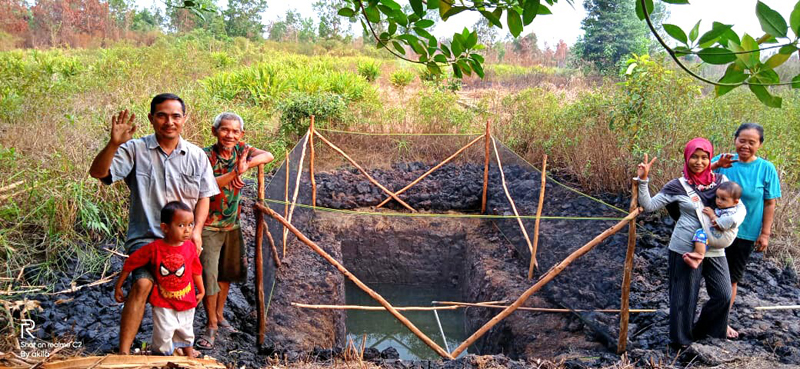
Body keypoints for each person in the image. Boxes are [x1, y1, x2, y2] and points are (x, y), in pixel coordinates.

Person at [89, 93, 220, 354]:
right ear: (151, 118)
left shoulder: (196, 155)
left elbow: (205, 197)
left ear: (185, 118)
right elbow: (99, 173)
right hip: (146, 237)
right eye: (161, 115)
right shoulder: (135, 149)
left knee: (180, 288)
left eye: (175, 116)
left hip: (182, 239)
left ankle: (181, 346)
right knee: (142, 284)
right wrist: (113, 144)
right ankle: (124, 352)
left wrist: (196, 232)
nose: (168, 122)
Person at [636, 138, 733, 349]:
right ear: (686, 158)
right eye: (694, 157)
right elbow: (650, 205)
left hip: (714, 246)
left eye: (704, 157)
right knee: (684, 297)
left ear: (710, 158)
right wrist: (643, 180)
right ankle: (681, 341)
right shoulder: (677, 185)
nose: (699, 162)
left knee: (723, 294)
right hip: (685, 246)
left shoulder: (720, 180)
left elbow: (734, 206)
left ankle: (706, 332)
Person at [196, 112, 273, 350]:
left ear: (241, 134)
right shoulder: (205, 156)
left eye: (235, 131)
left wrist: (246, 164)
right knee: (209, 275)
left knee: (226, 273)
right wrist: (234, 174)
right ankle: (210, 325)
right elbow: (206, 184)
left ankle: (219, 315)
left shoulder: (241, 150)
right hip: (208, 225)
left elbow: (268, 155)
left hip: (233, 223)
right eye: (224, 130)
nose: (229, 135)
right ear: (214, 131)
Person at [711, 123, 781, 339]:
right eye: (742, 140)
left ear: (760, 144)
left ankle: (721, 322)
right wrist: (714, 167)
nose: (746, 146)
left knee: (731, 278)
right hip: (714, 229)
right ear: (735, 140)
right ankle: (698, 318)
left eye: (752, 142)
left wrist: (765, 234)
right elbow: (695, 175)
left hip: (745, 233)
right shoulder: (724, 161)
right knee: (703, 274)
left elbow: (770, 203)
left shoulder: (766, 168)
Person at [114, 202, 205, 357]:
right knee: (163, 334)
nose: (188, 230)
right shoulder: (154, 249)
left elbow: (196, 270)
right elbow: (131, 263)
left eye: (190, 225)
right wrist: (119, 285)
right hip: (164, 301)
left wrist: (201, 290)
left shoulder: (189, 248)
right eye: (181, 225)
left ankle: (190, 356)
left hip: (186, 298)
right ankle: (162, 358)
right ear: (165, 228)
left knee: (186, 330)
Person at [683, 181, 746, 269]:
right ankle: (697, 260)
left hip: (723, 236)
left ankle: (699, 255)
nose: (719, 201)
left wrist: (712, 215)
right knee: (704, 241)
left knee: (700, 233)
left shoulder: (730, 212)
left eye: (723, 199)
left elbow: (720, 225)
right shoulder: (724, 208)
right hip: (717, 237)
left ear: (735, 202)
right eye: (717, 197)